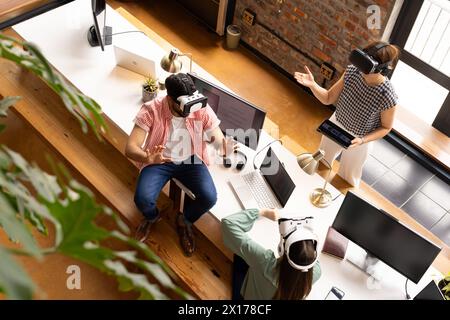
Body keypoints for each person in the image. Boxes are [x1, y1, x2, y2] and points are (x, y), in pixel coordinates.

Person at [125, 73, 232, 256]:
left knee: (209, 197)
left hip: (191, 158)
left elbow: (218, 140)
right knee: (142, 199)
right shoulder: (151, 109)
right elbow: (130, 148)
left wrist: (222, 146)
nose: (190, 111)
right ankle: (152, 217)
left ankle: (184, 221)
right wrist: (149, 158)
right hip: (160, 160)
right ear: (170, 98)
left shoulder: (199, 108)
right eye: (185, 106)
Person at [294, 41, 400, 187]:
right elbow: (328, 98)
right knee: (320, 163)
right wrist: (313, 85)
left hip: (360, 139)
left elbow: (386, 127)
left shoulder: (387, 95)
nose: (360, 66)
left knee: (347, 179)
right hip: (336, 124)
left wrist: (362, 140)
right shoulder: (352, 71)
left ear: (380, 67)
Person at [222, 208, 321, 300]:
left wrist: (263, 212)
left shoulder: (264, 262)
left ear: (282, 249)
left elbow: (228, 223)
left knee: (240, 256)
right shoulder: (316, 273)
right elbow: (307, 255)